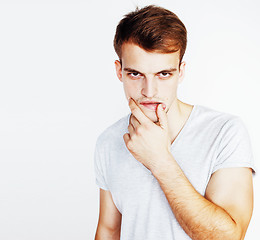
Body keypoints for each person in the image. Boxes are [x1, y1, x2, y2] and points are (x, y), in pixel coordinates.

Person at [94, 5, 255, 240]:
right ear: (119, 71)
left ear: (181, 71)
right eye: (135, 74)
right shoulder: (109, 140)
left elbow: (229, 237)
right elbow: (109, 230)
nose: (149, 91)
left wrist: (160, 160)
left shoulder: (225, 132)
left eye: (163, 74)